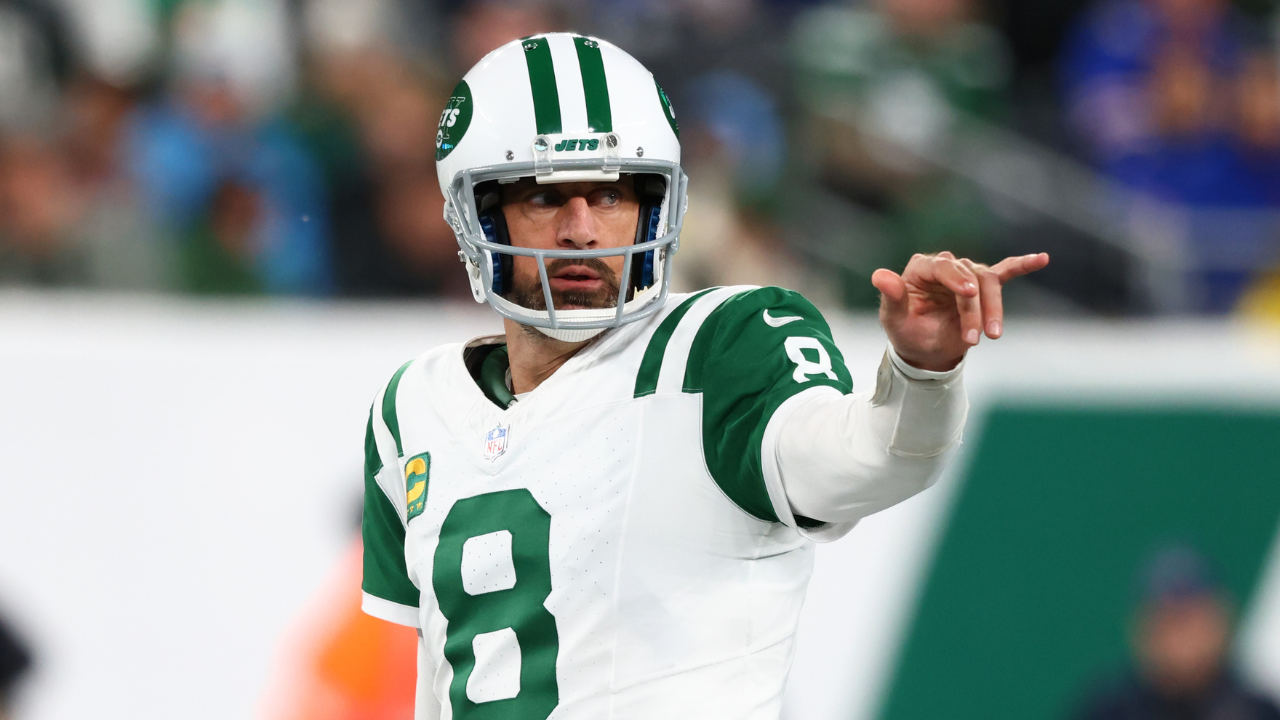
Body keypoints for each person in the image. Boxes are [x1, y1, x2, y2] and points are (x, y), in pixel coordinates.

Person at [359, 33, 1049, 719]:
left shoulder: (716, 347)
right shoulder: (411, 408)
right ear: (474, 213)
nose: (582, 230)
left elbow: (864, 457)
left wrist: (921, 373)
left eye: (611, 195)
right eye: (543, 198)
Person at [1074, 546, 1280, 720]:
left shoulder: (1259, 713)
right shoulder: (1107, 711)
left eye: (1190, 620)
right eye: (1169, 622)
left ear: (1222, 620)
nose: (1181, 641)